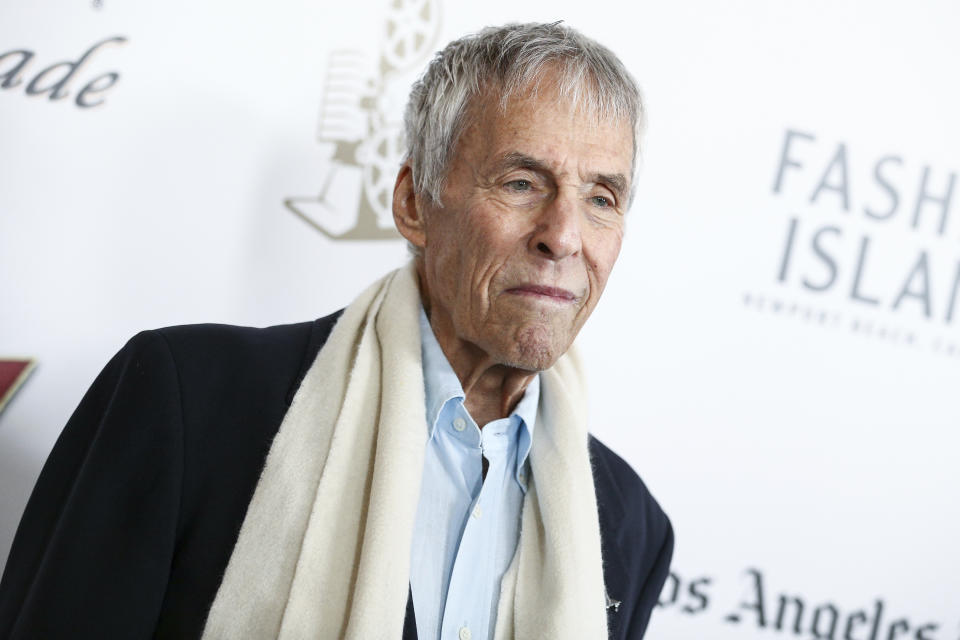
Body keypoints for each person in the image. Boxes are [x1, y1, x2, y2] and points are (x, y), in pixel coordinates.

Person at [0, 22, 672, 640]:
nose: (563, 235)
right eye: (523, 183)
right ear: (414, 204)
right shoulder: (186, 402)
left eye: (601, 199)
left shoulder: (627, 523)